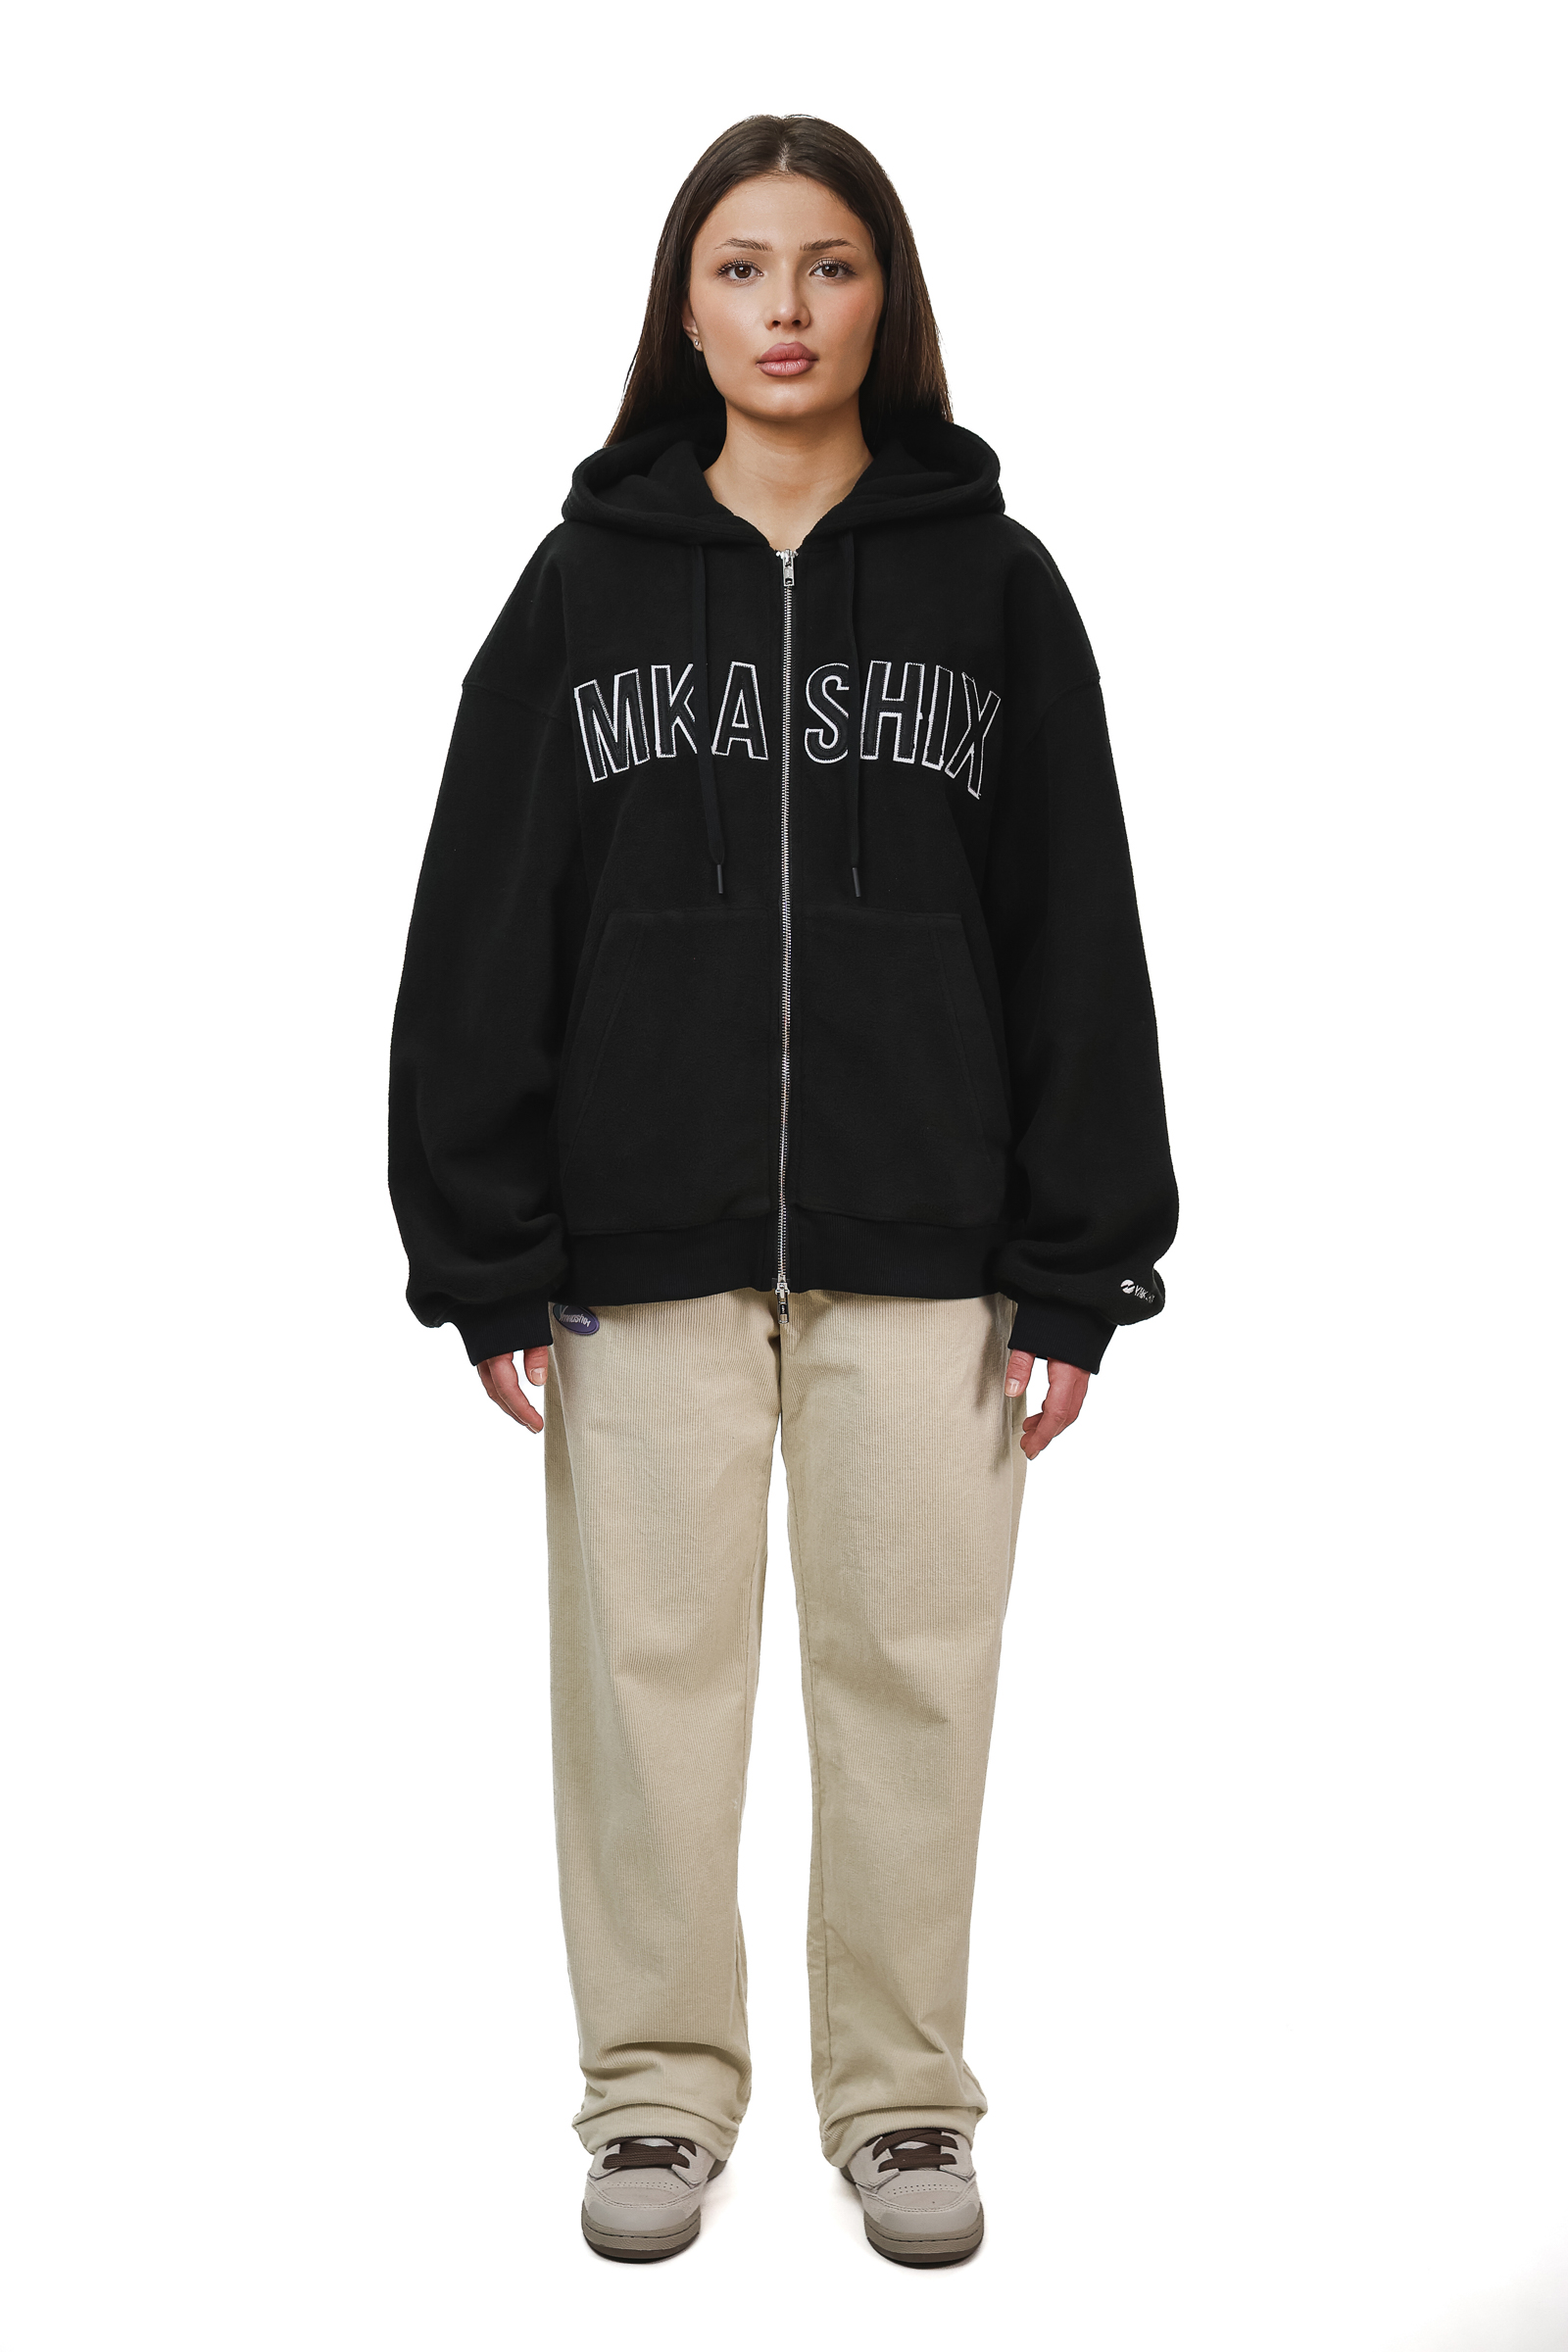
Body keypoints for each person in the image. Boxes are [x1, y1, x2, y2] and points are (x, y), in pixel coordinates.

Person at [389, 112, 1176, 2268]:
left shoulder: (994, 586)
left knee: (914, 1679)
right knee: (644, 1692)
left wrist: (1079, 1260)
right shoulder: (583, 588)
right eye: (740, 269)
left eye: (826, 266)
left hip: (929, 1249)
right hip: (631, 1253)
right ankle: (654, 2097)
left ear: (883, 295)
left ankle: (902, 2103)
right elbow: (485, 916)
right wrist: (482, 1248)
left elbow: (1074, 924)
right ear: (684, 305)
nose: (785, 310)